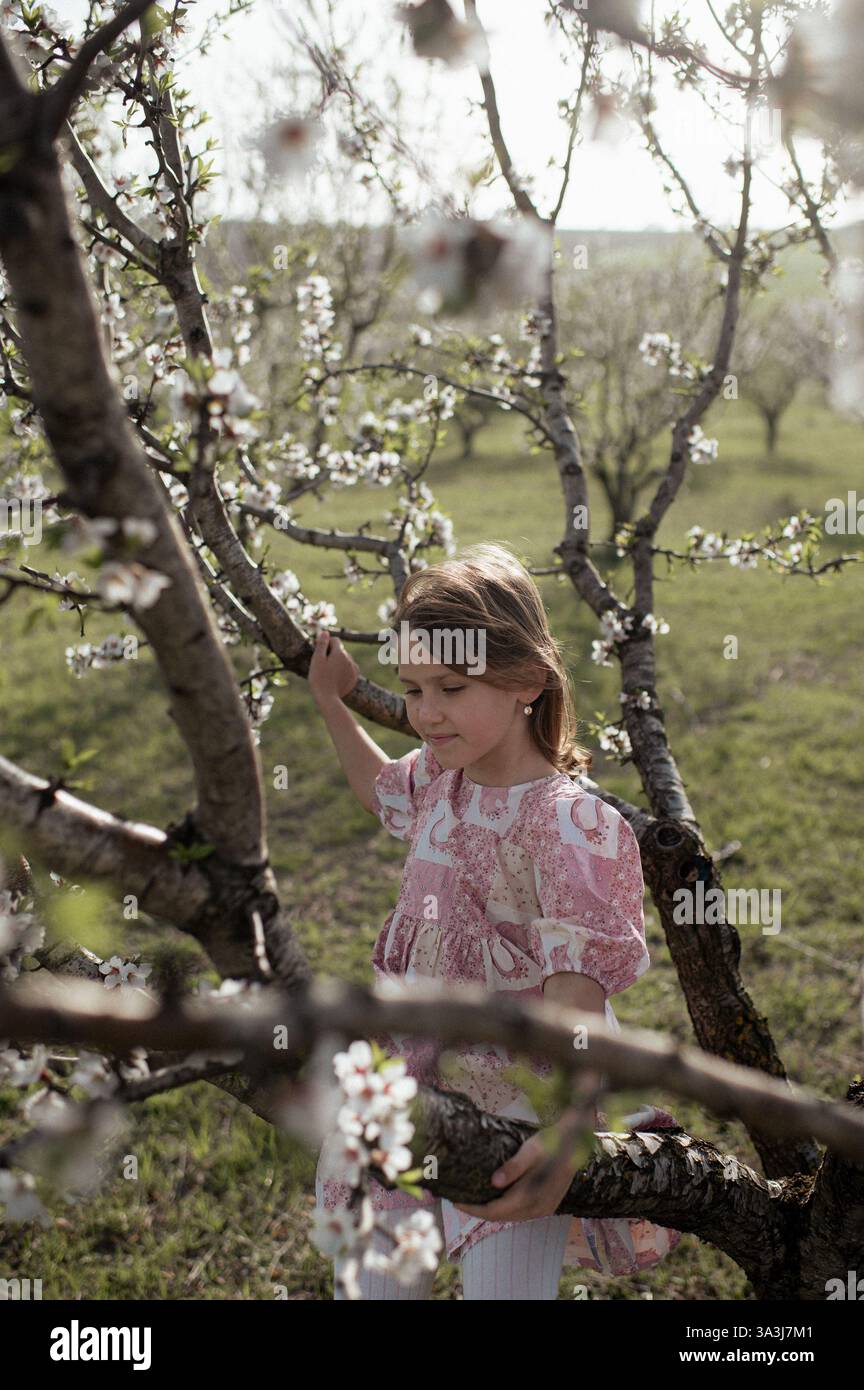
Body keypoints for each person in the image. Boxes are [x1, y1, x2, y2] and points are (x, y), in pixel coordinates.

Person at [308, 540, 682, 1300]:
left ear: (527, 682)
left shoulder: (571, 825)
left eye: (450, 685)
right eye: (413, 689)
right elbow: (381, 789)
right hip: (407, 1090)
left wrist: (570, 1127)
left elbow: (579, 1004)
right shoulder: (439, 781)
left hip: (515, 1109)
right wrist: (334, 702)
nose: (424, 712)